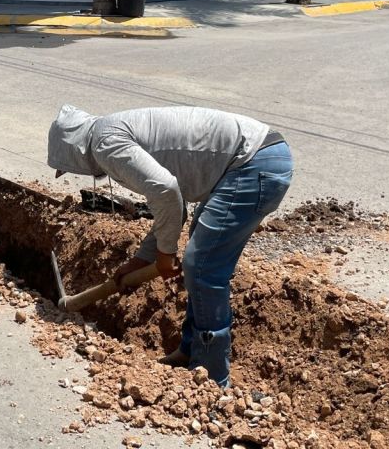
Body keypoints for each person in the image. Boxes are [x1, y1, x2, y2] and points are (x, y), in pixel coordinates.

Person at [46, 104, 293, 387]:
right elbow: (172, 204)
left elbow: (166, 192)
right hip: (255, 157)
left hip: (253, 163)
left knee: (202, 266)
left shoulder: (105, 145)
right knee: (200, 258)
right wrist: (142, 259)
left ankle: (212, 378)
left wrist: (165, 253)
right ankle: (190, 350)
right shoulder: (108, 132)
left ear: (74, 152)